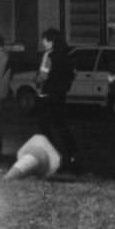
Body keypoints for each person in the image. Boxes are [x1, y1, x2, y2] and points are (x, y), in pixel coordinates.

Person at [36, 28, 79, 171]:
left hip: (47, 95)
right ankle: (72, 154)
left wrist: (37, 80)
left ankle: (51, 157)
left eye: (45, 39)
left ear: (51, 41)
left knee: (44, 127)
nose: (43, 42)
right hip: (60, 95)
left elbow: (43, 76)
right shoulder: (67, 56)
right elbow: (72, 75)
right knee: (61, 126)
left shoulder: (48, 56)